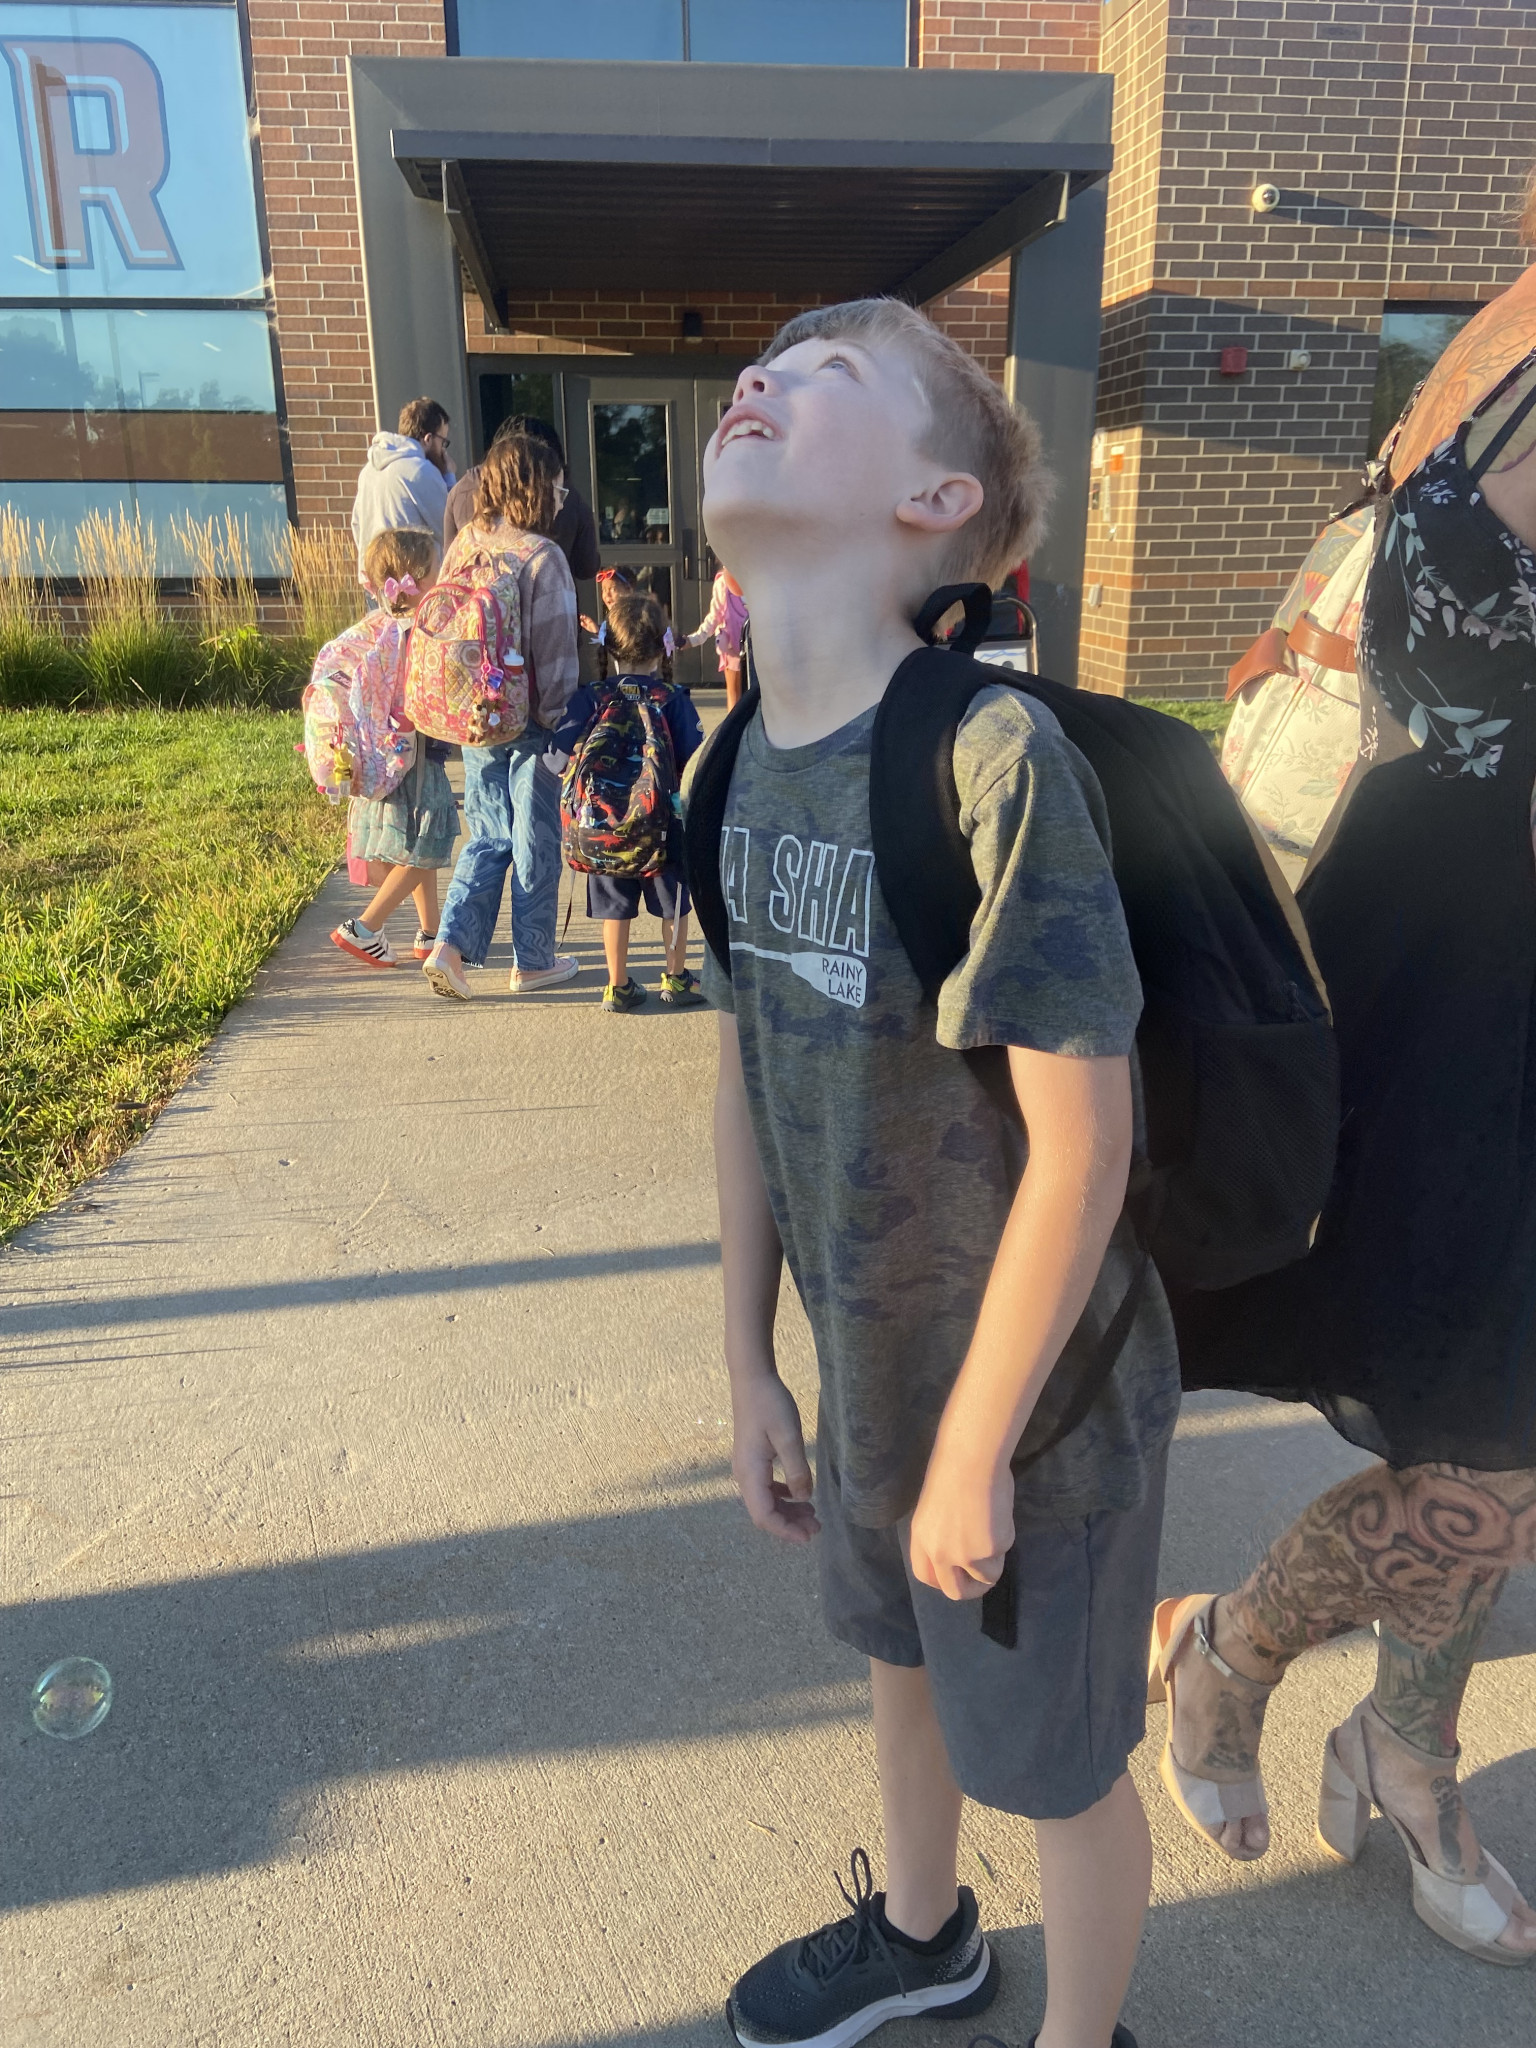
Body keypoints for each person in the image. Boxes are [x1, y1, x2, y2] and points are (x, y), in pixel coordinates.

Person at [699, 299, 1179, 2048]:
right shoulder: (733, 760)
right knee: (898, 1663)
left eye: (827, 375)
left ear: (937, 500)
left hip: (1042, 1410)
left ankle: (1082, 2032)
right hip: (870, 1379)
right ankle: (921, 1936)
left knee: (1057, 1763)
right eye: (762, 366)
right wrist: (747, 1358)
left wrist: (977, 1446)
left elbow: (1087, 1141)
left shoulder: (992, 760)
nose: (759, 378)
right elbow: (746, 1069)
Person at [1151, 197, 1536, 1965]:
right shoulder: (1504, 357)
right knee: (1492, 1429)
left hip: (1471, 978)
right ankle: (1260, 1671)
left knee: (1493, 1434)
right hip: (1464, 996)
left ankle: (1338, 1708)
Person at [422, 432, 581, 1001]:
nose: (561, 498)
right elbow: (557, 651)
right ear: (535, 487)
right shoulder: (543, 556)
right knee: (535, 840)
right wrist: (563, 724)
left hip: (476, 711)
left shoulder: (467, 541)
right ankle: (533, 960)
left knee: (488, 833)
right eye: (557, 487)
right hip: (532, 721)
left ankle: (449, 948)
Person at [554, 592, 704, 1013]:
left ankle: (617, 985)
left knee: (614, 910)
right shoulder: (671, 697)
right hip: (662, 825)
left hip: (601, 826)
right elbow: (696, 761)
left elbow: (555, 756)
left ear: (608, 646)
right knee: (673, 906)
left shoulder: (591, 696)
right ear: (663, 647)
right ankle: (676, 978)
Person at [330, 528, 458, 968]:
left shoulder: (375, 629)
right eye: (437, 570)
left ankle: (430, 932)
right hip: (416, 757)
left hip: (385, 758)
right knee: (427, 844)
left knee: (417, 845)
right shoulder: (420, 632)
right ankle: (365, 927)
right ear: (417, 578)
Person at [443, 415, 601, 581]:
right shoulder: (560, 499)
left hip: (470, 593)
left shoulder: (462, 495)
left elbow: (447, 568)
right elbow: (587, 566)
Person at [351, 397, 455, 574]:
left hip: (375, 576)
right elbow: (449, 529)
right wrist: (449, 477)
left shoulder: (368, 471)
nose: (443, 450)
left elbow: (356, 524)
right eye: (443, 441)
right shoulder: (421, 471)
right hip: (414, 578)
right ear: (428, 439)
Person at [682, 565, 748, 707]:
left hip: (754, 646)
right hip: (734, 649)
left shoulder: (760, 576)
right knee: (735, 697)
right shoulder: (724, 582)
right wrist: (694, 640)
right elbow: (714, 617)